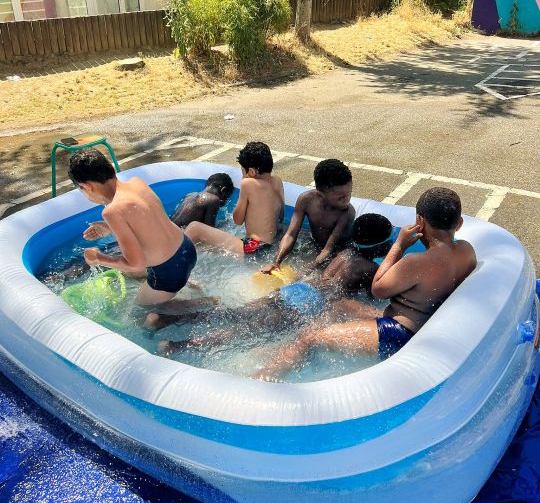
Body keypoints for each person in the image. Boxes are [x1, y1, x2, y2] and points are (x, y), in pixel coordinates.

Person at [255, 187, 477, 380]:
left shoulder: (416, 262)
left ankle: (263, 376)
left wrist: (399, 246)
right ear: (459, 223)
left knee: (308, 338)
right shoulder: (466, 251)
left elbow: (378, 288)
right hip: (416, 322)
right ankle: (306, 344)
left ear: (419, 221)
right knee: (341, 306)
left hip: (398, 334)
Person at [152, 213, 394, 352]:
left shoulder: (344, 254)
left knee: (236, 314)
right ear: (380, 245)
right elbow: (378, 295)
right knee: (243, 332)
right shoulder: (370, 268)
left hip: (296, 290)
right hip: (306, 304)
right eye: (388, 241)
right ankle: (177, 346)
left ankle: (165, 319)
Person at [68, 149, 199, 307]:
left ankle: (206, 303)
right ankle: (190, 284)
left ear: (86, 186)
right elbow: (148, 225)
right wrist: (110, 228)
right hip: (186, 247)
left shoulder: (111, 211)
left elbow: (135, 264)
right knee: (145, 278)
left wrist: (98, 258)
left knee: (141, 309)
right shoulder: (137, 183)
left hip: (169, 268)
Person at [184, 142, 284, 257]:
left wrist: (244, 181)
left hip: (253, 247)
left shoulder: (248, 183)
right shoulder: (277, 181)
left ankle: (176, 259)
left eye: (243, 171)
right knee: (204, 243)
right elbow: (281, 216)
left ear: (251, 172)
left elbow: (237, 220)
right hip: (269, 246)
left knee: (194, 228)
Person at [262, 158, 354, 272]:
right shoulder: (306, 200)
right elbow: (291, 234)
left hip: (336, 251)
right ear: (321, 194)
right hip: (315, 244)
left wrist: (304, 272)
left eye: (350, 194)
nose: (347, 200)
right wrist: (276, 262)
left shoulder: (347, 213)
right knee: (279, 232)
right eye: (341, 197)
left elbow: (328, 250)